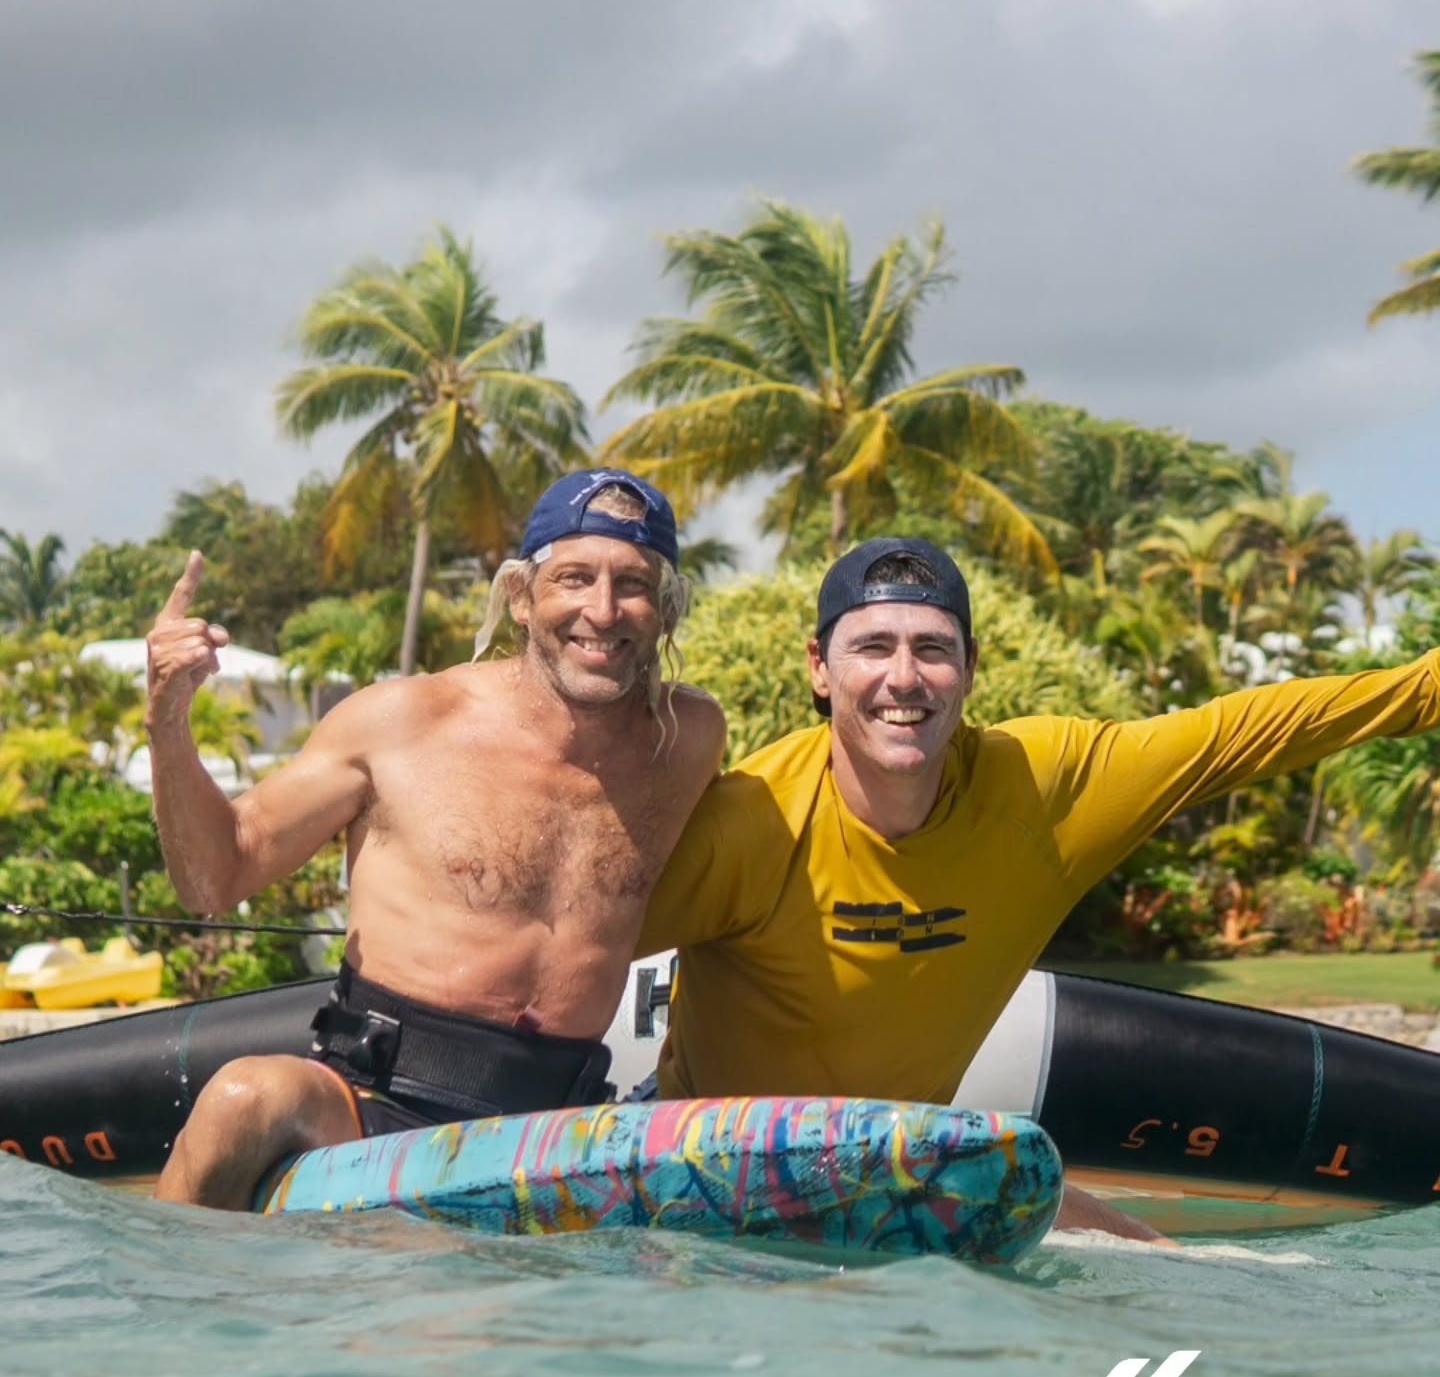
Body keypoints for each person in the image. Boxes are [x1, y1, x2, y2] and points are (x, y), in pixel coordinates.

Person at [634, 536, 1440, 1241]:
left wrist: (1427, 689)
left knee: (1164, 1263)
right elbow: (580, 936)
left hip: (905, 1172)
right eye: (873, 647)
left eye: (933, 648)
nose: (904, 677)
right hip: (702, 1179)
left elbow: (1238, 734)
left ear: (970, 668)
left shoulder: (1040, 790)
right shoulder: (754, 822)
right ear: (819, 667)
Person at [149, 469, 725, 1210]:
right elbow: (215, 875)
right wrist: (167, 719)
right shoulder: (403, 721)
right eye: (575, 578)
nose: (603, 609)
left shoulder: (687, 740)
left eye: (634, 584)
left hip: (559, 1130)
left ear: (666, 609)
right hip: (371, 1106)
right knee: (242, 1098)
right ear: (521, 597)